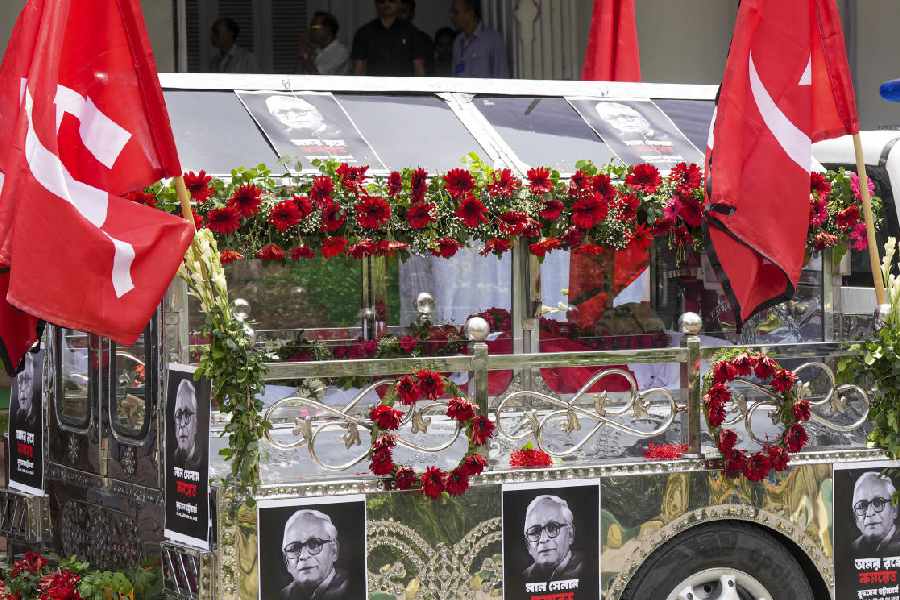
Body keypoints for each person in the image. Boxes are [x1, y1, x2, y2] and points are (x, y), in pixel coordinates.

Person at [280, 510, 349, 600]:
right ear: (287, 562)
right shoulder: (282, 596)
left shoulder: (353, 588)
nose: (303, 556)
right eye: (294, 548)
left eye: (314, 544)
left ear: (334, 551)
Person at [351, 0, 427, 77]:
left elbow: (419, 68)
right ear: (375, 3)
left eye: (391, 0)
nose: (386, 4)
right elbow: (359, 70)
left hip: (404, 87)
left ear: (399, 3)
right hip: (374, 86)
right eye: (382, 1)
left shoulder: (412, 32)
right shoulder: (364, 32)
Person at [522, 495, 584, 582]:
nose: (543, 539)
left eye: (552, 528)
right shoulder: (522, 578)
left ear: (570, 534)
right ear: (528, 545)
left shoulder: (587, 569)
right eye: (535, 532)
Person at [450, 0, 508, 78]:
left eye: (456, 12)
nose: (452, 16)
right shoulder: (458, 41)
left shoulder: (492, 39)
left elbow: (501, 76)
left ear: (470, 13)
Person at [850, 472, 900, 555]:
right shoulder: (852, 549)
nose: (870, 513)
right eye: (862, 505)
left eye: (878, 503)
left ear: (894, 509)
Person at [264, 95, 331, 137]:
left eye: (300, 111)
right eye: (282, 113)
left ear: (318, 113)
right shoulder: (281, 137)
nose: (292, 117)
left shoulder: (338, 131)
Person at [173, 378, 202, 470]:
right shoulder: (171, 459)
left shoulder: (202, 459)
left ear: (196, 423)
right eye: (179, 415)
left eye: (187, 414)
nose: (182, 423)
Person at [400, 0, 434, 75]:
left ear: (412, 14)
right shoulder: (381, 38)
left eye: (403, 11)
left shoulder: (423, 40)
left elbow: (429, 72)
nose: (398, 15)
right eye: (395, 12)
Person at [14, 352, 36, 430]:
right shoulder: (16, 417)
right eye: (20, 381)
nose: (22, 389)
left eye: (27, 380)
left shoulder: (39, 416)